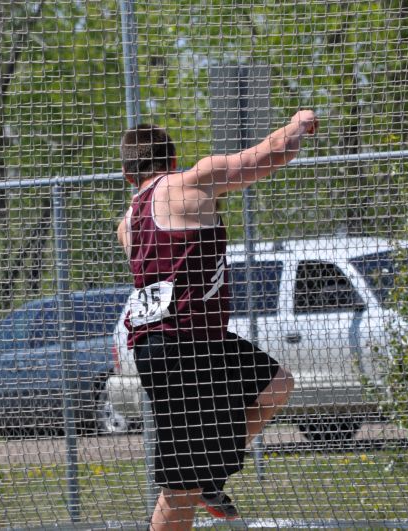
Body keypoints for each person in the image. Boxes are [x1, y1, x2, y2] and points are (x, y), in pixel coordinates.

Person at [117, 111, 317, 530]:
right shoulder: (193, 181)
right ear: (173, 161)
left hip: (186, 344)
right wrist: (299, 123)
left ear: (127, 174)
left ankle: (210, 472)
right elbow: (269, 155)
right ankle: (204, 474)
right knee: (179, 487)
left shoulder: (128, 224)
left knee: (276, 385)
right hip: (183, 346)